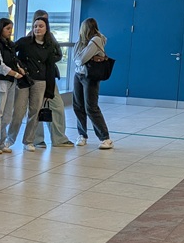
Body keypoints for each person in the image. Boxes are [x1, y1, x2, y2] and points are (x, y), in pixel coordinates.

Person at [8, 17, 60, 152]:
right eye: (35, 26)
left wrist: (49, 91)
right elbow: (10, 51)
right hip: (24, 79)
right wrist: (18, 66)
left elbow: (50, 69)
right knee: (18, 112)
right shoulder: (25, 42)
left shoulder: (49, 46)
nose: (37, 29)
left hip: (41, 81)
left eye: (41, 26)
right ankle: (10, 139)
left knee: (35, 112)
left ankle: (29, 141)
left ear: (46, 28)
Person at [31, 9, 74, 148]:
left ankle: (59, 138)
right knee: (36, 108)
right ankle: (37, 139)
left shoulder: (50, 38)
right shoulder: (29, 39)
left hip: (49, 78)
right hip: (35, 79)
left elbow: (58, 54)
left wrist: (47, 60)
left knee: (57, 106)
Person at [73, 18, 114, 150]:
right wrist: (80, 46)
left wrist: (81, 57)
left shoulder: (96, 40)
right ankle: (82, 135)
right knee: (78, 106)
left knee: (91, 107)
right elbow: (75, 58)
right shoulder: (81, 41)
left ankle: (105, 138)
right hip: (78, 75)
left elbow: (81, 59)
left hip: (90, 76)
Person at [0, 18, 24, 154]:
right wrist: (14, 73)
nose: (10, 31)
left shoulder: (10, 45)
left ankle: (2, 142)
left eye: (11, 29)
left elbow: (14, 60)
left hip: (11, 82)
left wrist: (19, 68)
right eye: (8, 28)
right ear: (0, 28)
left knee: (7, 114)